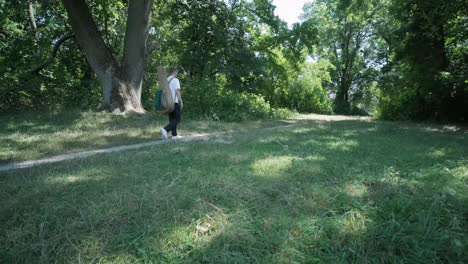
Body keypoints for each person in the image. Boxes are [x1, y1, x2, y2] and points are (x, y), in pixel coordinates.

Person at [160, 67, 183, 139]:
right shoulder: (175, 80)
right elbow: (177, 91)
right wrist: (180, 100)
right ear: (175, 72)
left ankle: (174, 135)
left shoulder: (166, 80)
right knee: (177, 119)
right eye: (177, 72)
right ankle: (165, 129)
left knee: (172, 119)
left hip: (167, 102)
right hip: (174, 102)